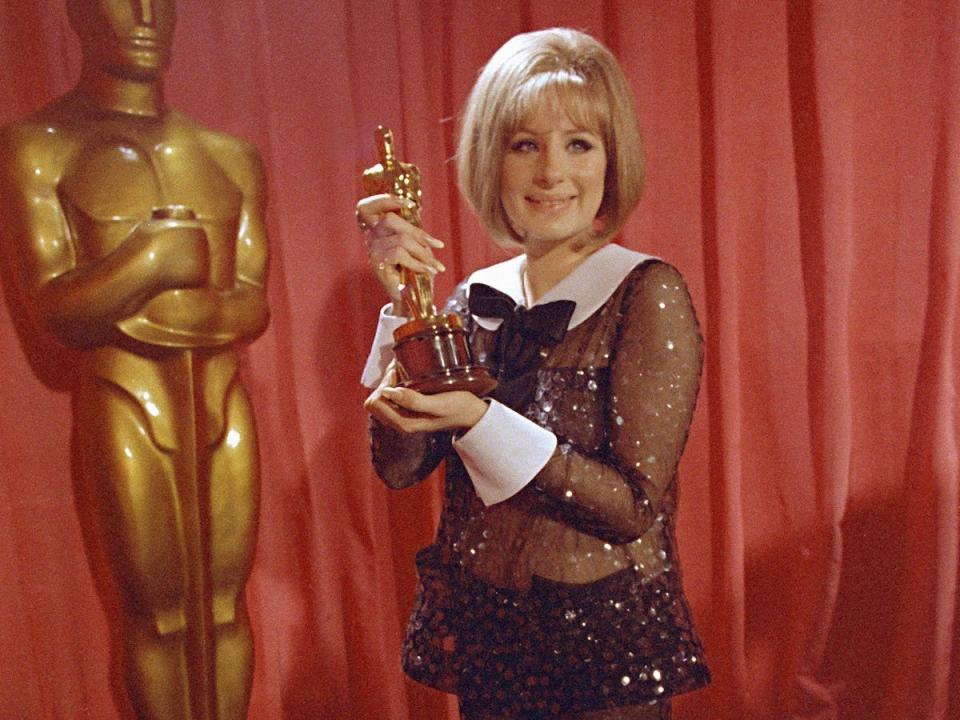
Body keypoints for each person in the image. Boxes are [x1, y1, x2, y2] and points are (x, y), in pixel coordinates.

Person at [358, 28, 708, 720]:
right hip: (493, 643)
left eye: (579, 144)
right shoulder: (468, 299)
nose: (552, 174)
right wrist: (405, 303)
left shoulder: (646, 293)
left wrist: (480, 420)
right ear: (494, 160)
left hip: (606, 651)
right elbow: (398, 467)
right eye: (526, 145)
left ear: (612, 160)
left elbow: (632, 505)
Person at [0, 1, 268, 719]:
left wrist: (151, 303)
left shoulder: (227, 154)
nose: (146, 15)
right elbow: (54, 307)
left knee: (224, 605)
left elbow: (253, 304)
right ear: (79, 13)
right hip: (125, 395)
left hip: (221, 398)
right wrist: (150, 263)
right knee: (158, 616)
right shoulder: (36, 146)